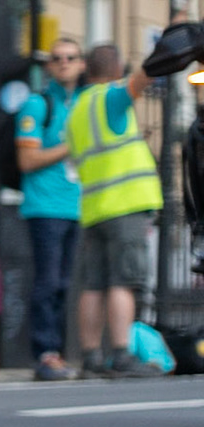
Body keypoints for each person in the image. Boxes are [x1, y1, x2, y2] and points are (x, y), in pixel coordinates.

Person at [64, 41, 166, 380]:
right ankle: (121, 354)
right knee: (123, 281)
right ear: (117, 70)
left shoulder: (77, 108)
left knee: (93, 284)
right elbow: (146, 76)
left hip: (93, 209)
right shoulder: (111, 97)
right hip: (125, 206)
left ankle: (91, 357)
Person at [15, 38, 83, 381]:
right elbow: (27, 159)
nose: (64, 63)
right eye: (56, 59)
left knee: (65, 283)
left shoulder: (84, 104)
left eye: (71, 57)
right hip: (45, 207)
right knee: (48, 282)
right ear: (48, 67)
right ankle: (45, 352)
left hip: (77, 206)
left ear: (82, 63)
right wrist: (70, 146)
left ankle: (59, 351)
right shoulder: (37, 105)